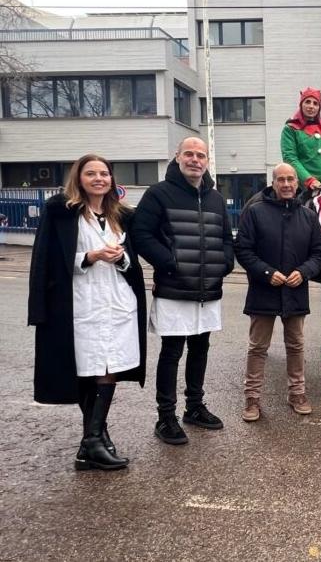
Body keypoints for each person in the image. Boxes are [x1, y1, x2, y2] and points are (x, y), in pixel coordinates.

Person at [28, 154, 147, 470]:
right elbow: (47, 258)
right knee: (88, 367)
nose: (99, 179)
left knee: (108, 366)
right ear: (78, 178)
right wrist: (91, 256)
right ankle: (94, 440)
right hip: (81, 301)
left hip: (117, 300)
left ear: (111, 179)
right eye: (91, 173)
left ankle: (93, 439)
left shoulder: (120, 215)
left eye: (104, 174)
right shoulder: (62, 212)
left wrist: (120, 258)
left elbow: (131, 262)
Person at [131, 137, 234, 445]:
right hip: (174, 289)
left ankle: (194, 407)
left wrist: (224, 265)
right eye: (188, 154)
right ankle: (165, 417)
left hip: (208, 289)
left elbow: (227, 240)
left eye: (200, 155)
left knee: (200, 349)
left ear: (206, 162)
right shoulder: (158, 194)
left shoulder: (215, 198)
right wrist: (170, 262)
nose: (195, 159)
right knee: (172, 352)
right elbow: (141, 234)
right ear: (177, 158)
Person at [234, 163, 321, 421]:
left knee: (296, 345)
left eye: (291, 180)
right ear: (273, 183)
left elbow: (319, 253)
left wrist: (305, 271)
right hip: (263, 292)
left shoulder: (308, 217)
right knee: (258, 348)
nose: (286, 184)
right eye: (281, 180)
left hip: (295, 292)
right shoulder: (255, 212)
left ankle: (297, 393)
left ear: (297, 183)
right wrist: (266, 272)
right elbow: (243, 249)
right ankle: (252, 399)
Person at [281, 87, 321, 194]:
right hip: (303, 188)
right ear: (301, 105)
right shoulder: (290, 129)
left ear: (319, 107)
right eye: (307, 102)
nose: (311, 106)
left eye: (315, 103)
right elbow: (290, 158)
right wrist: (310, 181)